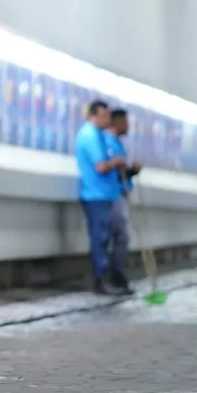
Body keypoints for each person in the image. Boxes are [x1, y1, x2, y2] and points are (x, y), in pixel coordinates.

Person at [73, 100, 127, 295]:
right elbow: (101, 166)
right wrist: (117, 162)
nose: (107, 120)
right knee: (100, 238)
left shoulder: (99, 135)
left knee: (104, 238)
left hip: (104, 194)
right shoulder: (90, 135)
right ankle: (101, 280)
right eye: (104, 116)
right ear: (93, 115)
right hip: (95, 195)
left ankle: (106, 279)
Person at [103, 108, 142, 294]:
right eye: (126, 122)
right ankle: (116, 277)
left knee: (121, 237)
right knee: (120, 236)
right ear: (117, 122)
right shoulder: (108, 142)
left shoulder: (118, 143)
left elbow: (122, 172)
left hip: (120, 193)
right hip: (112, 195)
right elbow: (111, 170)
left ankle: (118, 276)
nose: (128, 126)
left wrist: (131, 171)